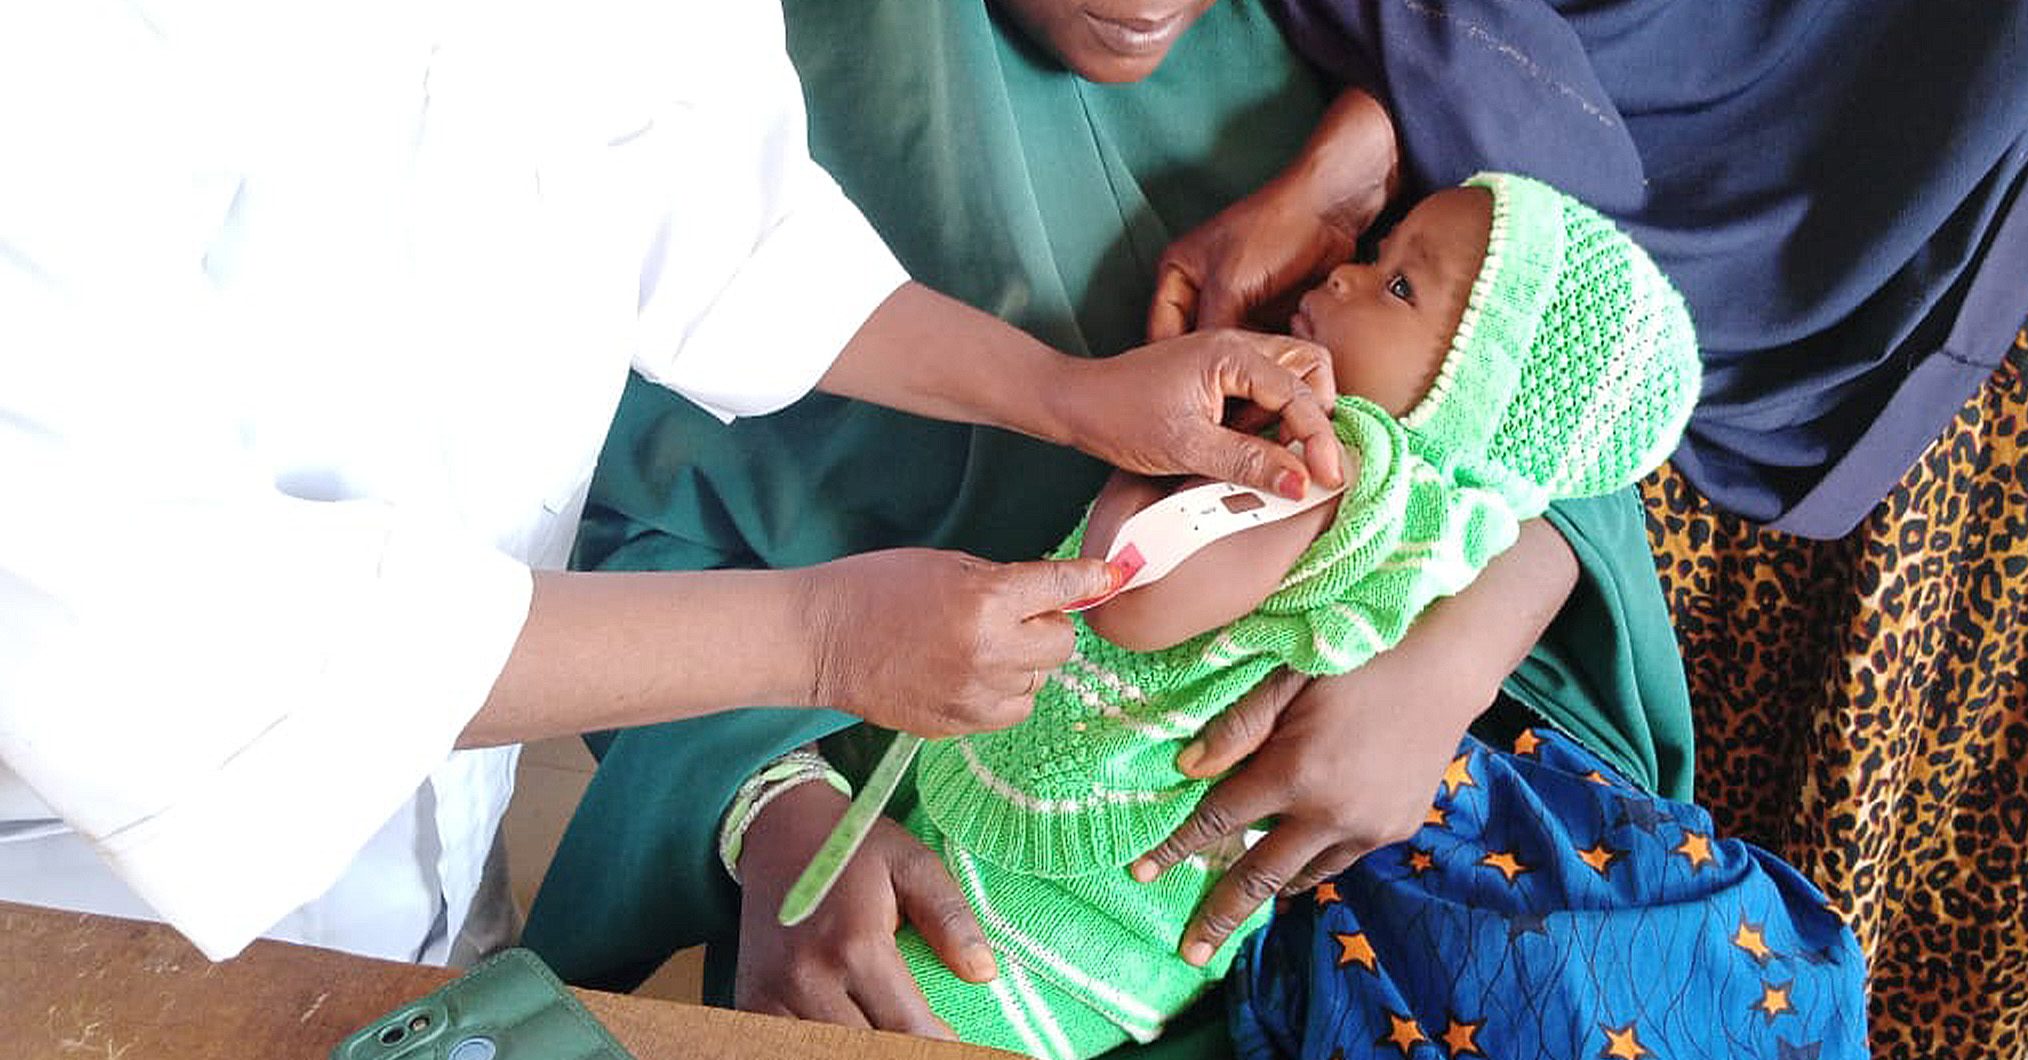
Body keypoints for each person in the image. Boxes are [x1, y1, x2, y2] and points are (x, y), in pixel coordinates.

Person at [0, 0, 1343, 966]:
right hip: (73, 896)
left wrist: (1061, 393)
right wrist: (817, 640)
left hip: (424, 855)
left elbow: (693, 192)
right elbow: (153, 636)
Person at [522, 5, 1699, 1054]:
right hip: (905, 905)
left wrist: (1448, 662)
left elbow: (1550, 411)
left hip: (1301, 960)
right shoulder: (708, 77)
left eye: (1390, 274)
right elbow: (606, 504)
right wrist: (768, 800)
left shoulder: (1380, 68)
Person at [1145, 1, 2028, 1056]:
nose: (1353, 282)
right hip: (1575, 102)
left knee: (1794, 899)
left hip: (2014, 186)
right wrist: (1392, 116)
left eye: (1387, 278)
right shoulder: (1450, 296)